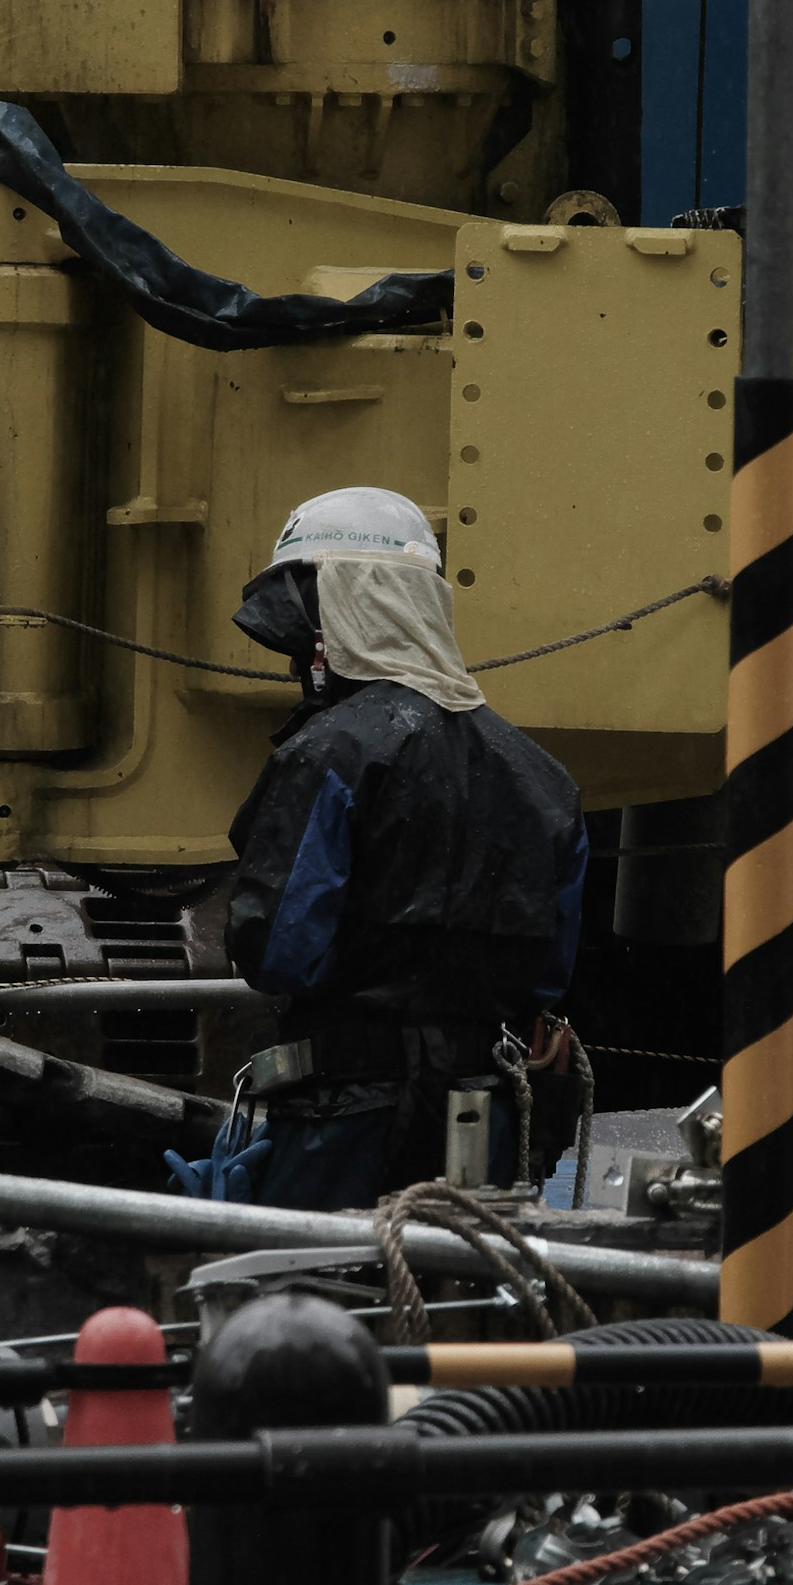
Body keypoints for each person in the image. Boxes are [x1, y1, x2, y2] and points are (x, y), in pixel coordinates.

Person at [207, 489, 587, 1212]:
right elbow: (549, 975)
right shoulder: (545, 778)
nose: (302, 657)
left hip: (343, 1120)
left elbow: (279, 948)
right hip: (483, 1115)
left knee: (312, 1302)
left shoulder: (330, 753)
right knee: (459, 1300)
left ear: (347, 608)